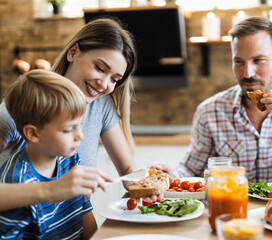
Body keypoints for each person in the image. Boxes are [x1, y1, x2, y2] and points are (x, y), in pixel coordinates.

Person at [155, 16, 272, 183]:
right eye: (239, 61)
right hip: (234, 216)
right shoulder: (210, 111)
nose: (247, 73)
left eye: (258, 60)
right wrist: (172, 176)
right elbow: (192, 169)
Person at [0, 18, 162, 212]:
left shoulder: (100, 104)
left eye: (114, 79)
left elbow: (128, 171)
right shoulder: (20, 109)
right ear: (73, 52)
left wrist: (149, 182)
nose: (104, 84)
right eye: (100, 68)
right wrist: (51, 190)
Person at [0, 70, 96, 239]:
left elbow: (85, 212)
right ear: (33, 134)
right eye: (68, 129)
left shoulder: (70, 158)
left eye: (80, 124)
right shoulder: (15, 181)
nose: (80, 135)